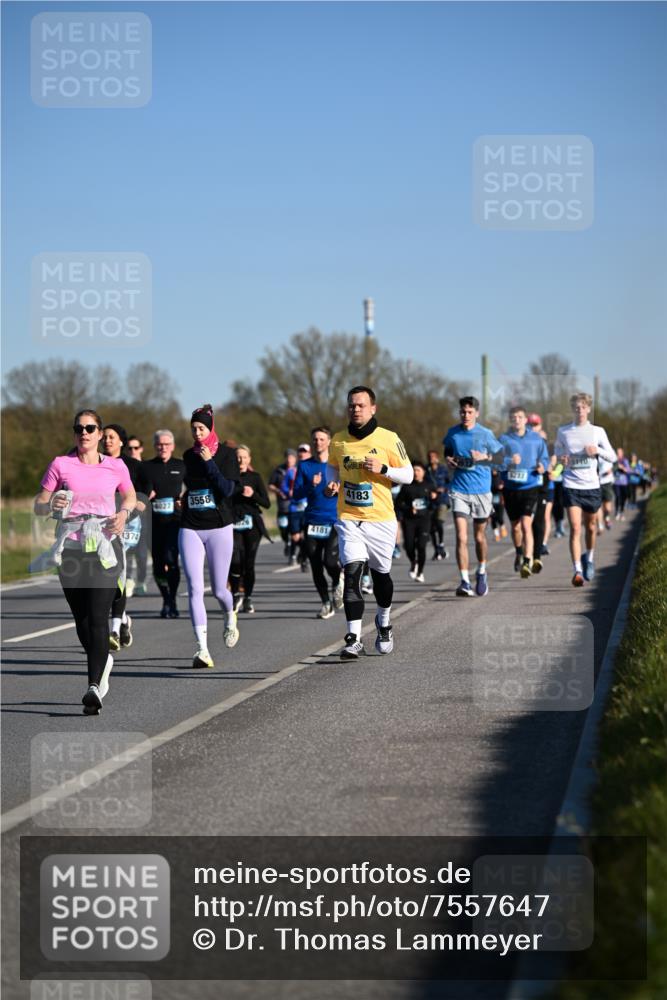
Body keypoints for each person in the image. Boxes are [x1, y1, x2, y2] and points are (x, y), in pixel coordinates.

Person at [33, 410, 136, 714]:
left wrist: (123, 513)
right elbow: (39, 504)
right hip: (71, 547)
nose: (84, 433)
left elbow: (130, 496)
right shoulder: (61, 464)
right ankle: (102, 660)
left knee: (98, 616)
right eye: (79, 428)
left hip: (104, 546)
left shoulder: (115, 466)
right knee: (82, 620)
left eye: (90, 428)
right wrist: (51, 504)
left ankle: (93, 687)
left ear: (100, 433)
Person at [326, 385, 413, 659]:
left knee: (381, 577)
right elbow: (332, 466)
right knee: (352, 573)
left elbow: (408, 475)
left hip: (381, 520)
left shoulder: (388, 438)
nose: (355, 409)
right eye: (352, 405)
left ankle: (384, 622)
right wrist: (332, 482)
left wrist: (384, 469)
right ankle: (353, 638)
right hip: (349, 518)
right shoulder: (338, 440)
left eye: (361, 405)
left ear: (373, 408)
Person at [179, 404, 241, 667]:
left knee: (218, 590)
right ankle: (202, 649)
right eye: (193, 429)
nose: (197, 433)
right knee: (194, 588)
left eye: (201, 428)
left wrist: (209, 462)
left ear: (211, 428)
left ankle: (230, 614)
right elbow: (191, 487)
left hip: (219, 526)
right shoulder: (187, 455)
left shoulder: (227, 455)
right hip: (190, 526)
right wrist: (183, 498)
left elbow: (227, 489)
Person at [443, 396, 504, 597]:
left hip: (481, 491)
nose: (466, 415)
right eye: (463, 412)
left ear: (476, 413)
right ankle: (464, 581)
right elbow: (447, 451)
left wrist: (485, 457)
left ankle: (482, 571)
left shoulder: (486, 434)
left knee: (479, 537)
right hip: (459, 490)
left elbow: (501, 458)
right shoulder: (453, 433)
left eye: (470, 412)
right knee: (461, 537)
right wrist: (449, 461)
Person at [554, 392, 615, 586]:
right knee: (574, 527)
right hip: (571, 485)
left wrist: (597, 450)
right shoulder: (563, 431)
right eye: (576, 407)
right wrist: (561, 460)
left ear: (588, 409)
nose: (579, 410)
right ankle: (577, 570)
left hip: (592, 486)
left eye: (583, 407)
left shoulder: (597, 431)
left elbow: (613, 456)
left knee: (590, 527)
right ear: (572, 409)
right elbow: (558, 454)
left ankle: (589, 558)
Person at [101, 423, 147, 650]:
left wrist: (136, 502)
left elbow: (145, 497)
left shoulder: (133, 466)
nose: (107, 440)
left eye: (112, 437)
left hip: (128, 523)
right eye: (105, 437)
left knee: (118, 573)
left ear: (121, 441)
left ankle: (114, 629)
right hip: (102, 525)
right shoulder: (95, 463)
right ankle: (124, 619)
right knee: (107, 578)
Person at [292, 427, 343, 619]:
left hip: (333, 520)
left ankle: (338, 581)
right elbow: (296, 495)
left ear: (329, 441)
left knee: (330, 561)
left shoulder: (337, 465)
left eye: (322, 439)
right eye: (315, 439)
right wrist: (310, 485)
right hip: (312, 521)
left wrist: (340, 489)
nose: (318, 442)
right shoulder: (305, 466)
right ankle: (326, 603)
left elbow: (351, 486)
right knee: (315, 565)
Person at [140, 430, 186, 618]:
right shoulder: (146, 467)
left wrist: (184, 499)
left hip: (175, 522)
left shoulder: (181, 466)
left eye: (167, 444)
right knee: (158, 563)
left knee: (171, 560)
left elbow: (192, 486)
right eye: (159, 444)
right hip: (153, 523)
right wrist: (145, 495)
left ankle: (172, 599)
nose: (163, 447)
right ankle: (166, 598)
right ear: (155, 446)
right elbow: (137, 492)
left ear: (172, 446)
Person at [499, 407, 549, 578]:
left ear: (525, 420)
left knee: (526, 525)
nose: (517, 420)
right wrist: (509, 461)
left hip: (530, 487)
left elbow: (545, 458)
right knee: (515, 527)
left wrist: (542, 466)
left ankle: (527, 561)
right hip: (510, 488)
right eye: (514, 417)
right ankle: (519, 552)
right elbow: (495, 462)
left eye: (520, 417)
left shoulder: (536, 439)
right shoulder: (504, 439)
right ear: (510, 420)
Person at [229, 444, 271, 614]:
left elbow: (266, 503)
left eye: (244, 457)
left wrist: (253, 494)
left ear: (249, 459)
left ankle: (248, 598)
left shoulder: (255, 477)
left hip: (252, 524)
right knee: (235, 561)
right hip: (233, 523)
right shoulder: (227, 477)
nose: (241, 460)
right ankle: (235, 594)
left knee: (248, 563)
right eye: (238, 457)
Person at [396, 461, 436, 583]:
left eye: (418, 470)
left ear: (423, 472)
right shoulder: (407, 486)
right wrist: (409, 509)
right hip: (409, 520)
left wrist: (434, 498)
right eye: (414, 470)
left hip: (424, 520)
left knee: (421, 546)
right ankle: (414, 562)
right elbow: (398, 503)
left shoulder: (429, 485)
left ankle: (420, 572)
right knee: (409, 546)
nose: (416, 473)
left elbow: (435, 503)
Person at [524, 412, 553, 571]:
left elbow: (557, 462)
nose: (533, 428)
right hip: (526, 487)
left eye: (535, 425)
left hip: (543, 486)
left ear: (540, 426)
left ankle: (537, 556)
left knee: (539, 521)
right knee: (525, 523)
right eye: (530, 425)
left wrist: (552, 470)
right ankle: (525, 555)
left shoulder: (547, 444)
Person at [125, 435, 149, 595]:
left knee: (141, 553)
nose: (133, 451)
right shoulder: (124, 467)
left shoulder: (146, 467)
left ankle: (141, 580)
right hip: (126, 513)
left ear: (141, 449)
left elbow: (151, 487)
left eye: (136, 447)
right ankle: (128, 580)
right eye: (130, 448)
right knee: (126, 549)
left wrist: (145, 499)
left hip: (143, 515)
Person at [268, 449, 296, 558]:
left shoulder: (298, 470)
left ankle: (294, 552)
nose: (289, 459)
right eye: (287, 457)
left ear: (295, 459)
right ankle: (287, 541)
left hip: (296, 506)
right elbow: (270, 485)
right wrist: (278, 491)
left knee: (295, 530)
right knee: (283, 528)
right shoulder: (278, 470)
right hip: (283, 506)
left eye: (291, 457)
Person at [425, 449, 449, 559]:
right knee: (431, 528)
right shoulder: (426, 470)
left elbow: (450, 482)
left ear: (437, 458)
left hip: (442, 500)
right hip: (430, 502)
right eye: (429, 457)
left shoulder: (443, 469)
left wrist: (443, 489)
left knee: (439, 522)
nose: (431, 459)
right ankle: (437, 550)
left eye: (433, 457)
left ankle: (441, 543)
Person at [613, 448, 630, 520]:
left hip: (624, 483)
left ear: (622, 453)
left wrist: (622, 467)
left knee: (624, 497)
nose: (618, 454)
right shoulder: (614, 461)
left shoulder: (625, 461)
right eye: (617, 453)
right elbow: (611, 470)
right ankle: (617, 512)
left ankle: (622, 511)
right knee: (617, 496)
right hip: (616, 482)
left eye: (619, 453)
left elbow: (628, 470)